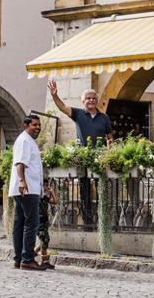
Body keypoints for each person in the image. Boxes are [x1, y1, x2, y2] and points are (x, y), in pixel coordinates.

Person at [47, 81, 112, 225]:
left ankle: (103, 221)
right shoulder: (78, 114)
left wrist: (109, 153)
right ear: (83, 101)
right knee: (85, 190)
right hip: (83, 158)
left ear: (97, 100)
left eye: (93, 98)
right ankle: (88, 222)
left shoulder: (104, 118)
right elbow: (62, 107)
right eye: (88, 98)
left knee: (102, 190)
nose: (91, 100)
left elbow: (110, 137)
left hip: (100, 158)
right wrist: (54, 95)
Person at [10, 115, 45, 271]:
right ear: (26, 126)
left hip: (24, 187)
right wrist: (23, 181)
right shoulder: (24, 140)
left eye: (39, 125)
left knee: (20, 224)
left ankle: (19, 259)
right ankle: (27, 259)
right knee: (32, 223)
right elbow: (20, 163)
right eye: (34, 125)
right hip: (27, 188)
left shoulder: (28, 141)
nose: (37, 127)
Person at [36, 180, 58, 269]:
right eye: (44, 185)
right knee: (44, 240)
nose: (45, 187)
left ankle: (32, 254)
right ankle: (44, 261)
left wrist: (52, 192)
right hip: (39, 221)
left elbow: (55, 202)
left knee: (45, 240)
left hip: (44, 221)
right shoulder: (36, 197)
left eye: (46, 185)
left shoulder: (44, 197)